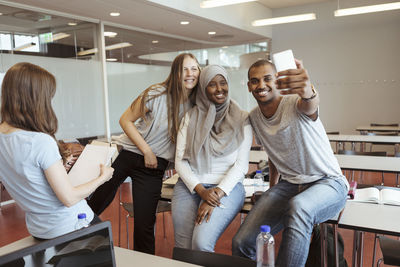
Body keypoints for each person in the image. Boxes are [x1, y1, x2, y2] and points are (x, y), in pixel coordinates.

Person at [232, 59, 349, 267]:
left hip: (328, 183)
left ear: (277, 80)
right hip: (290, 185)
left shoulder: (295, 102)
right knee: (242, 243)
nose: (261, 85)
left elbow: (310, 102)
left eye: (267, 79)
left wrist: (307, 90)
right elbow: (273, 153)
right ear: (249, 86)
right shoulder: (255, 117)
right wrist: (272, 190)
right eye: (255, 81)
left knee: (299, 207)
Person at [87, 53, 200, 254]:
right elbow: (125, 120)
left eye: (194, 68)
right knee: (94, 205)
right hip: (128, 155)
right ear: (176, 72)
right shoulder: (157, 93)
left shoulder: (197, 104)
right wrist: (146, 150)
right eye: (184, 69)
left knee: (144, 225)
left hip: (155, 167)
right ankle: (71, 243)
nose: (190, 74)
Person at [0, 62, 114, 239]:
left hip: (39, 230)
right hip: (73, 226)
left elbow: (28, 176)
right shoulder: (39, 141)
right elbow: (69, 198)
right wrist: (102, 178)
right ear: (34, 98)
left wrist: (59, 166)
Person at [172, 64, 252, 252]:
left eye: (222, 83)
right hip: (191, 185)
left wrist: (214, 195)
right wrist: (201, 191)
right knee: (183, 247)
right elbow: (180, 161)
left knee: (200, 244)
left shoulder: (242, 118)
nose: (219, 89)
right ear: (203, 88)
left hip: (228, 188)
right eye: (212, 84)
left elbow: (241, 166)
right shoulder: (190, 118)